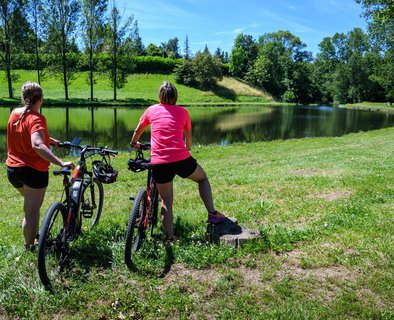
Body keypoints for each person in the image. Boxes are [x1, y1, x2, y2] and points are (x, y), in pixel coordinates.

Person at [130, 81, 226, 244]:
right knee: (202, 178)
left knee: (166, 201)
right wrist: (187, 148)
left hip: (160, 161)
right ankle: (212, 213)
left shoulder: (151, 110)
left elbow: (139, 129)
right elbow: (188, 136)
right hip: (181, 158)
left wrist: (134, 143)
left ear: (160, 96)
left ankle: (170, 238)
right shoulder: (183, 112)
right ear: (176, 97)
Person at [6, 81, 75, 250]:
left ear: (23, 98)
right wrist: (60, 162)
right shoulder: (37, 118)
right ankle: (29, 248)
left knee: (30, 207)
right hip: (33, 170)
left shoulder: (14, 113)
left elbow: (27, 132)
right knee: (32, 211)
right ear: (41, 99)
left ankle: (34, 237)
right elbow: (36, 144)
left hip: (13, 170)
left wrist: (51, 141)